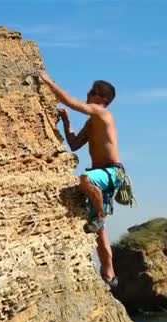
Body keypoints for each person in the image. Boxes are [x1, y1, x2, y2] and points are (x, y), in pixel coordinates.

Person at [39, 71, 123, 287]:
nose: (87, 93)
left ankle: (101, 215)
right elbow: (75, 144)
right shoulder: (91, 122)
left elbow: (70, 102)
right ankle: (110, 275)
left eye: (92, 92)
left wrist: (48, 81)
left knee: (85, 179)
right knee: (100, 234)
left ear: (102, 100)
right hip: (101, 176)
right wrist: (66, 123)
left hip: (111, 173)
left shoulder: (101, 113)